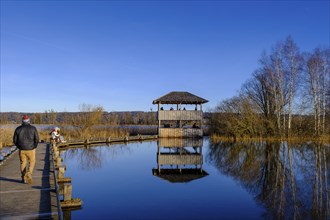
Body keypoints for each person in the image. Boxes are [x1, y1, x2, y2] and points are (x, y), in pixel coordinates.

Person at [13, 115, 39, 184]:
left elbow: (15, 140)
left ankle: (23, 178)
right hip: (31, 149)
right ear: (29, 121)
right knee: (32, 162)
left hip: (22, 149)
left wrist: (19, 146)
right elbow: (37, 139)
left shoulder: (18, 129)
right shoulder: (33, 128)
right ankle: (29, 173)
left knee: (23, 163)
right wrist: (34, 146)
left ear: (22, 121)